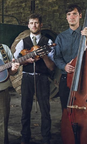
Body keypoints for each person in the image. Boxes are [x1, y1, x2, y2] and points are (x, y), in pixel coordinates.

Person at [14, 13, 55, 144]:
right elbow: (16, 61)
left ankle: (46, 137)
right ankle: (25, 136)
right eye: (31, 23)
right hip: (27, 78)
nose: (34, 25)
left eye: (36, 23)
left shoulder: (47, 42)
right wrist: (26, 61)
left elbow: (51, 67)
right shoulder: (23, 42)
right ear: (28, 25)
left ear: (41, 25)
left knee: (45, 110)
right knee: (25, 109)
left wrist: (44, 57)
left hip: (42, 78)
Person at [54, 4, 87, 112]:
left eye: (74, 14)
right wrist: (64, 66)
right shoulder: (60, 37)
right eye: (69, 14)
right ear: (66, 17)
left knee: (85, 109)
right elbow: (57, 57)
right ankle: (67, 128)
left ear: (80, 16)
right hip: (66, 78)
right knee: (66, 108)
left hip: (86, 78)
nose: (72, 17)